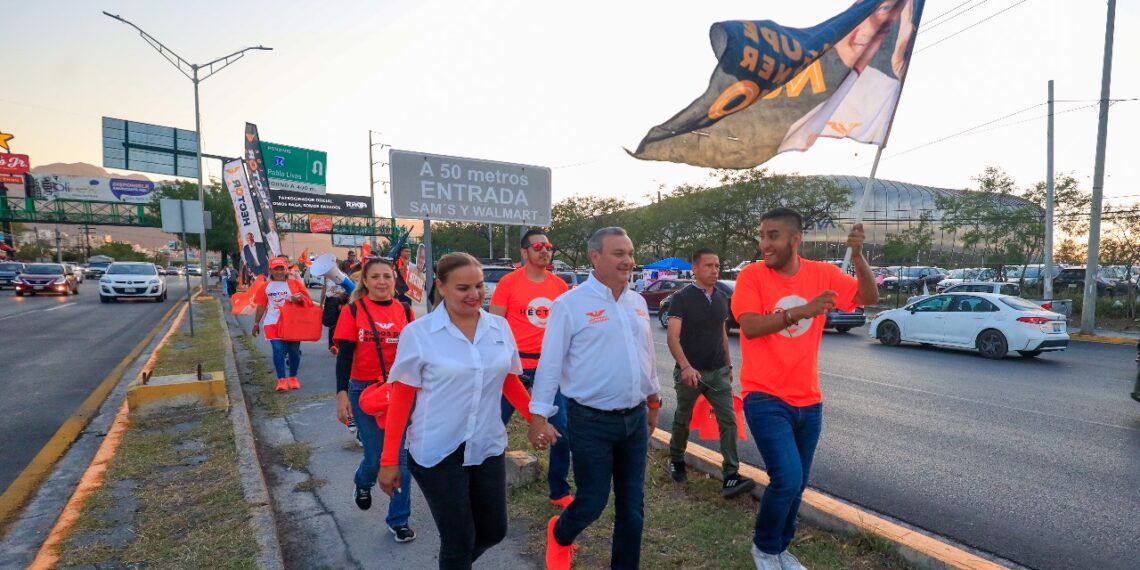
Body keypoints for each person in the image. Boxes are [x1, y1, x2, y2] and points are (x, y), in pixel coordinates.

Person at [379, 252, 557, 569]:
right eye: (463, 288)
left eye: (478, 286)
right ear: (442, 287)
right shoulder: (419, 335)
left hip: (486, 445)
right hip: (436, 450)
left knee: (493, 530)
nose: (474, 295)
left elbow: (509, 381)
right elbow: (401, 399)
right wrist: (389, 461)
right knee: (458, 539)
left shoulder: (499, 328)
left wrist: (535, 419)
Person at [732, 208, 877, 570]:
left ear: (796, 239)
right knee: (787, 478)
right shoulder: (752, 276)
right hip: (764, 395)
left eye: (773, 236)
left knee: (798, 484)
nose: (765, 243)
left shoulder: (822, 274)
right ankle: (764, 549)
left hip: (809, 400)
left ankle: (781, 548)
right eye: (762, 235)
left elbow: (868, 297)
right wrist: (803, 311)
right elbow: (749, 327)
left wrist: (858, 257)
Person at [529, 227, 661, 570]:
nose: (628, 261)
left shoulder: (636, 302)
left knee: (633, 506)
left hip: (633, 419)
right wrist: (539, 415)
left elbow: (646, 355)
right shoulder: (569, 305)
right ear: (594, 258)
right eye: (619, 254)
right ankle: (560, 533)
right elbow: (550, 363)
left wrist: (653, 400)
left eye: (630, 253)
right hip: (591, 421)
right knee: (592, 501)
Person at [333, 257, 417, 543]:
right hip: (364, 391)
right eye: (376, 277)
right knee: (374, 455)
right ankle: (363, 480)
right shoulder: (353, 310)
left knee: (399, 457)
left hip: (401, 390)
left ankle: (398, 519)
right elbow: (344, 356)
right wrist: (341, 394)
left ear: (395, 281)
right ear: (365, 282)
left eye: (387, 276)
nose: (382, 281)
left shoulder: (405, 310)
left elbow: (416, 354)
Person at [489, 229, 573, 508]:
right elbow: (495, 325)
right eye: (538, 246)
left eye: (549, 246)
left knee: (561, 430)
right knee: (492, 426)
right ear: (524, 253)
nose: (545, 251)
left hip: (550, 369)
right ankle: (483, 483)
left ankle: (559, 490)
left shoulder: (560, 285)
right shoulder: (508, 283)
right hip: (513, 369)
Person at [666, 248, 756, 498]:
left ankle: (731, 475)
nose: (714, 270)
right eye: (708, 266)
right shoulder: (681, 298)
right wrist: (685, 366)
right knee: (682, 418)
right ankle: (676, 459)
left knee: (728, 420)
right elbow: (673, 338)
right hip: (690, 372)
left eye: (717, 266)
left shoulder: (720, 298)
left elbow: (722, 334)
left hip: (717, 372)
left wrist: (728, 365)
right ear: (695, 269)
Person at [252, 257, 313, 391]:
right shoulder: (265, 286)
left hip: (292, 323)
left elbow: (308, 301)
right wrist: (256, 323)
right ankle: (281, 379)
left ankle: (292, 377)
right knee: (278, 350)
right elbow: (261, 306)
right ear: (271, 271)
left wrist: (299, 299)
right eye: (276, 269)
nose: (279, 272)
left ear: (286, 270)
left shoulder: (295, 283)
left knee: (294, 352)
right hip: (272, 323)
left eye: (281, 268)